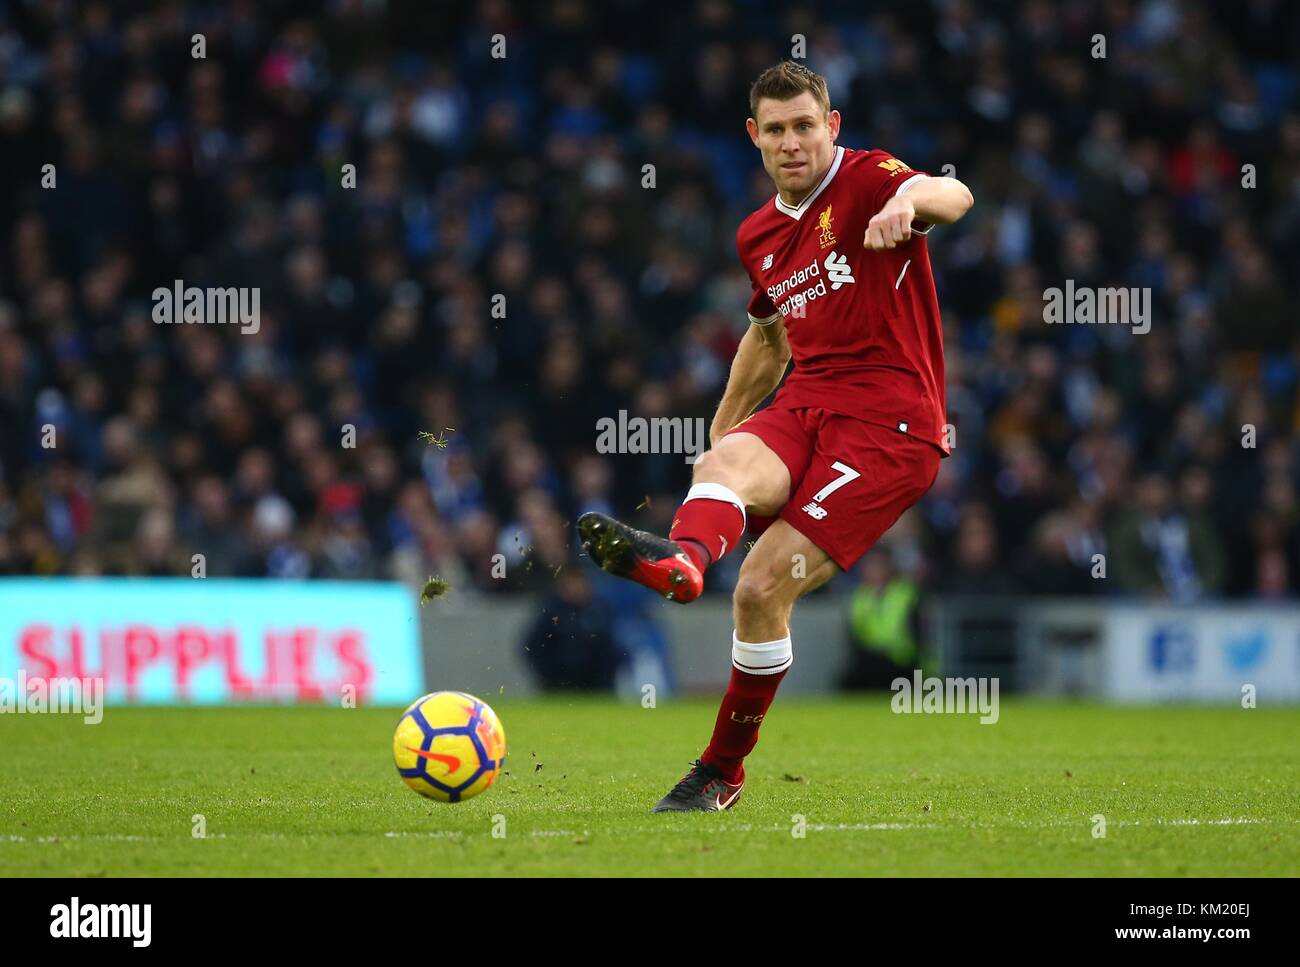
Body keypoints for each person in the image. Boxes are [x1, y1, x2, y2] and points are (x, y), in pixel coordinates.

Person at [578, 61, 973, 812]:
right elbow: (767, 342)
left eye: (806, 126)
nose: (794, 143)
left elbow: (954, 194)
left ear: (832, 127)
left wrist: (912, 203)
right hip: (810, 400)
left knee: (761, 588)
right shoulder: (757, 233)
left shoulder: (867, 181)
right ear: (754, 137)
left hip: (890, 425)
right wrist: (721, 435)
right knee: (725, 460)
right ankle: (685, 566)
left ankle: (721, 770)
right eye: (778, 130)